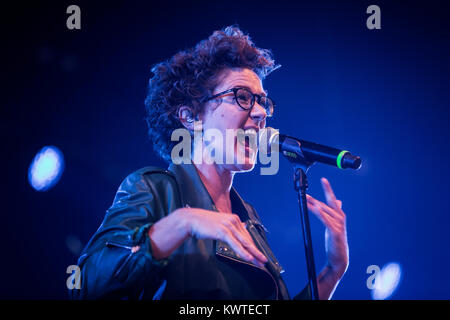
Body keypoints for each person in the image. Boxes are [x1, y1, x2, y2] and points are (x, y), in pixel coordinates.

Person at [70, 26, 349, 300]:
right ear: (191, 117)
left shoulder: (248, 218)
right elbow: (87, 286)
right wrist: (183, 222)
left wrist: (333, 270)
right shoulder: (155, 190)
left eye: (263, 102)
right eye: (242, 97)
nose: (262, 112)